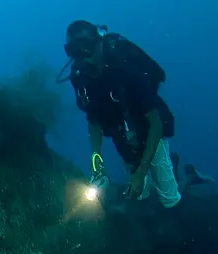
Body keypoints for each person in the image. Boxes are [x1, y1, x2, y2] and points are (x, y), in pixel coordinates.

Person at [62, 20, 205, 208]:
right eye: (74, 51)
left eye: (86, 48)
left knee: (169, 199)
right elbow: (93, 120)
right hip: (123, 135)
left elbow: (156, 122)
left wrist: (140, 172)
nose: (82, 57)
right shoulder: (80, 77)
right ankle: (153, 174)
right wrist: (97, 158)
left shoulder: (126, 71)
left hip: (150, 129)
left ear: (99, 43)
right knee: (140, 194)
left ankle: (190, 178)